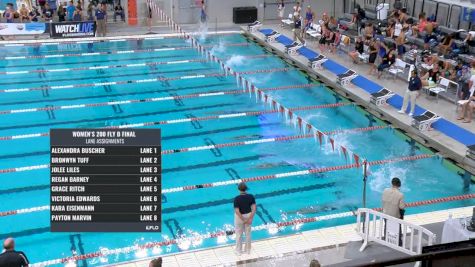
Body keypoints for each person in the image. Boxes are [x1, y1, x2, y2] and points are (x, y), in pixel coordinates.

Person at [234, 182, 256, 255]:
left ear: (239, 189)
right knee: (248, 234)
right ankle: (247, 250)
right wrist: (250, 219)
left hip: (240, 217)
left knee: (239, 234)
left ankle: (238, 251)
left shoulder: (236, 198)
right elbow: (254, 209)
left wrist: (243, 219)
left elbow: (237, 211)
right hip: (249, 215)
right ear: (246, 189)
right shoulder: (251, 196)